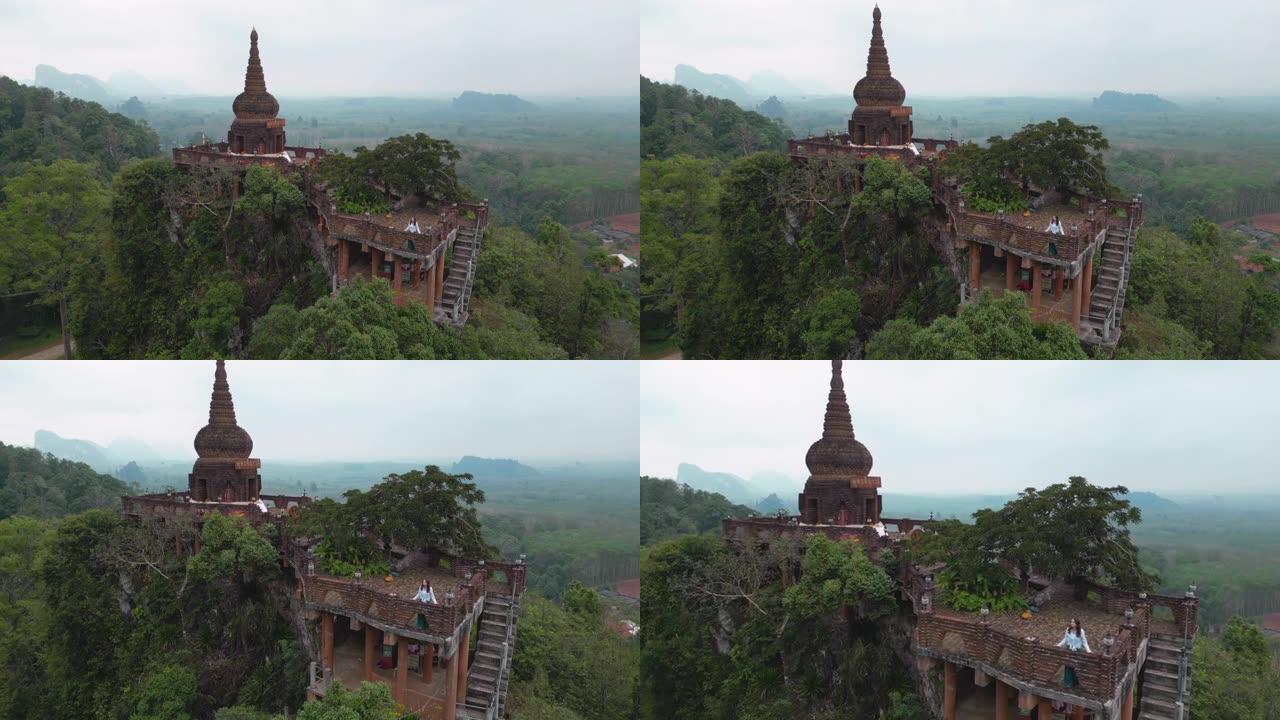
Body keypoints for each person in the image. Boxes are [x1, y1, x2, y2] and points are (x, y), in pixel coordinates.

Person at [1057, 618, 1091, 688]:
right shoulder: (1068, 630)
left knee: (1075, 666)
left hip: (1077, 651)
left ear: (1076, 624)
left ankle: (1075, 682)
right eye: (1071, 622)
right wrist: (1058, 645)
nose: (1071, 623)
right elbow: (1065, 639)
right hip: (1069, 650)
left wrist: (1089, 651)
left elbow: (1084, 642)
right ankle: (1068, 683)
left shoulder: (1081, 631)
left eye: (1073, 622)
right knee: (1068, 665)